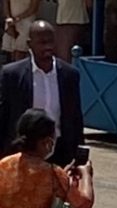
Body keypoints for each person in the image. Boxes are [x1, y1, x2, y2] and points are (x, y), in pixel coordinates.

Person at [0, 20, 83, 167]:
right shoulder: (12, 75)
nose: (48, 47)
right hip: (23, 155)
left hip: (60, 154)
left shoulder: (69, 75)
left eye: (51, 41)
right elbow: (3, 116)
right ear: (29, 44)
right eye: (42, 42)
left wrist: (79, 156)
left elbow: (75, 117)